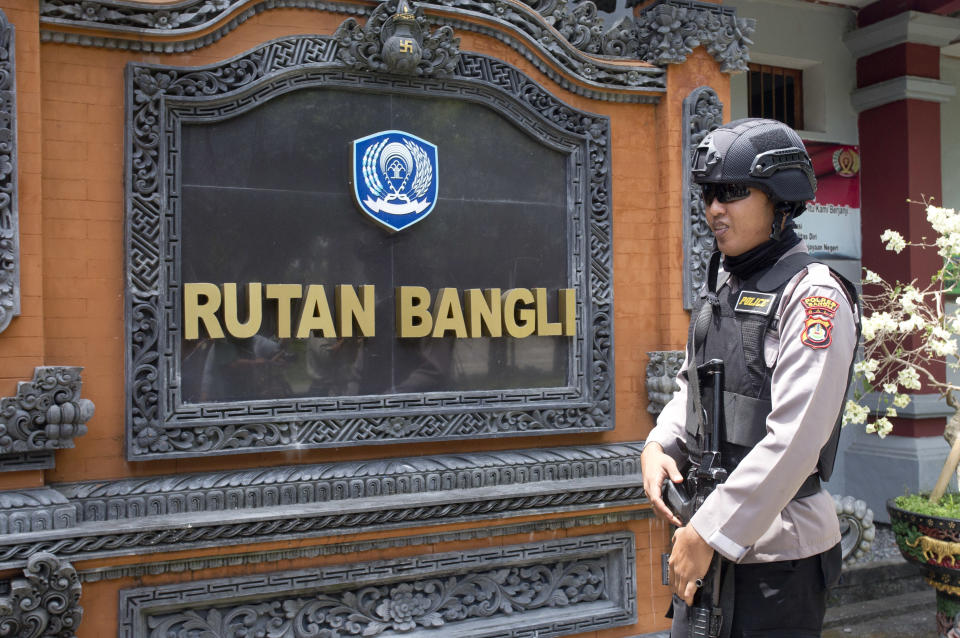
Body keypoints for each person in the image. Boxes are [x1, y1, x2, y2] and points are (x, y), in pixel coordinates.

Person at [641, 118, 859, 637]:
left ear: (781, 201)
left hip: (777, 562)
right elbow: (694, 385)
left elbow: (796, 441)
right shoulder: (727, 284)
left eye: (733, 193)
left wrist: (709, 532)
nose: (715, 209)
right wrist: (659, 444)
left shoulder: (813, 297)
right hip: (705, 537)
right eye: (710, 195)